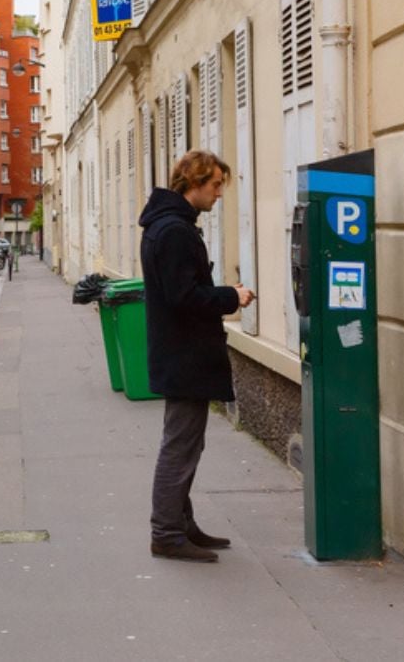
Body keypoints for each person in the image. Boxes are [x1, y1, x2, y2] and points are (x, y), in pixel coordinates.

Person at [139, 150, 255, 563]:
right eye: (216, 185)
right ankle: (167, 533)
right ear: (194, 182)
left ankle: (180, 524)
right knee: (180, 445)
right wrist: (232, 296)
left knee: (187, 443)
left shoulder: (170, 225)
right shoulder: (174, 231)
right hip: (184, 356)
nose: (219, 194)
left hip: (180, 354)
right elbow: (183, 297)